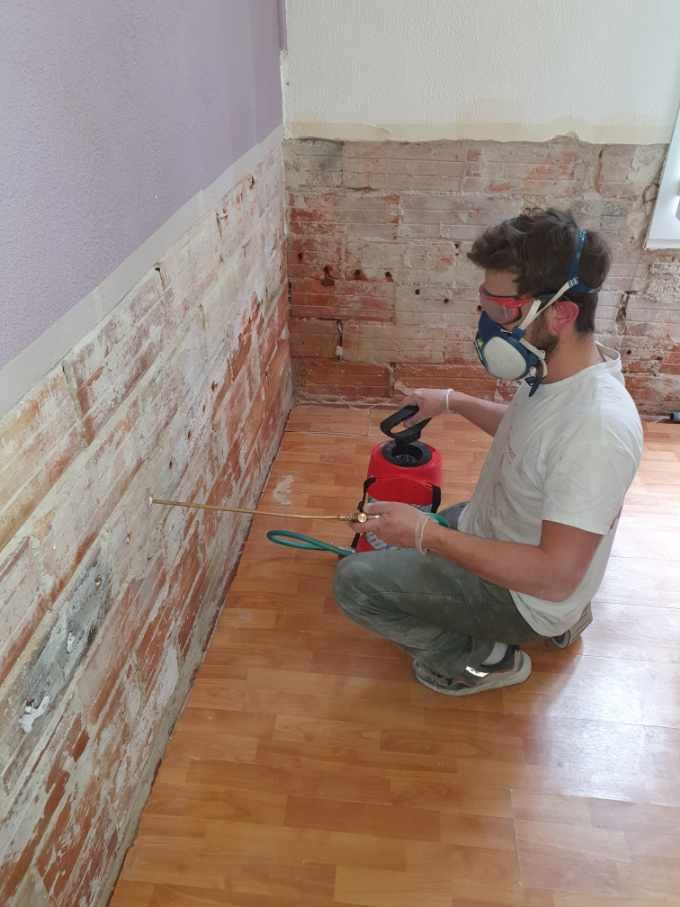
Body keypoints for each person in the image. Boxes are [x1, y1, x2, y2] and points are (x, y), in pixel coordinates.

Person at [334, 208, 643, 696]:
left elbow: (554, 574)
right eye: (487, 306)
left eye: (504, 312)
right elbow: (532, 436)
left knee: (356, 583)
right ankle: (558, 622)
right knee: (427, 529)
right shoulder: (563, 370)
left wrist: (424, 535)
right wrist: (451, 402)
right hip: (506, 530)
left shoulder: (597, 428)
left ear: (561, 312)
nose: (489, 326)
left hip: (531, 593)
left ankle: (484, 659)